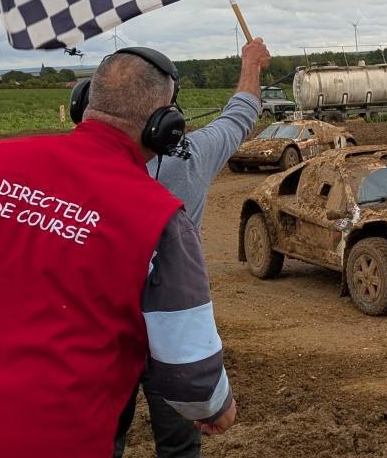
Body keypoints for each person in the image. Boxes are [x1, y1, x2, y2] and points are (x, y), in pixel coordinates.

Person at [0, 47, 236, 456]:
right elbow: (191, 378)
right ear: (164, 127)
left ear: (82, 103)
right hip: (50, 438)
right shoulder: (161, 220)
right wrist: (218, 406)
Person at [112, 37, 270, 458]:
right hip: (171, 332)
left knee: (99, 439)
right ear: (165, 123)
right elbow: (240, 114)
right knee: (180, 447)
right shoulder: (189, 159)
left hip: (99, 332)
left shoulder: (65, 168)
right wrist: (250, 64)